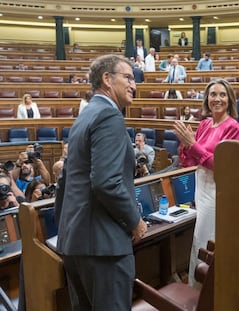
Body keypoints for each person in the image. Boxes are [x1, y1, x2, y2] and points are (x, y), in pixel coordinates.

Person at [55, 54, 147, 311]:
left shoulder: (84, 116)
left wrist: (65, 230)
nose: (134, 85)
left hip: (76, 242)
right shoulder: (110, 116)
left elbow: (65, 179)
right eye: (127, 77)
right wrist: (135, 221)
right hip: (104, 247)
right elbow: (107, 182)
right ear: (107, 79)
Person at [173, 79, 239, 286]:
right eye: (213, 94)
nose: (217, 99)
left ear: (229, 100)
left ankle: (201, 290)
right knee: (198, 237)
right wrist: (186, 145)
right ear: (207, 99)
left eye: (222, 94)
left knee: (204, 239)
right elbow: (189, 161)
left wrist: (192, 144)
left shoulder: (233, 127)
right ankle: (199, 288)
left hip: (217, 187)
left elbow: (221, 165)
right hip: (200, 185)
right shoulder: (204, 124)